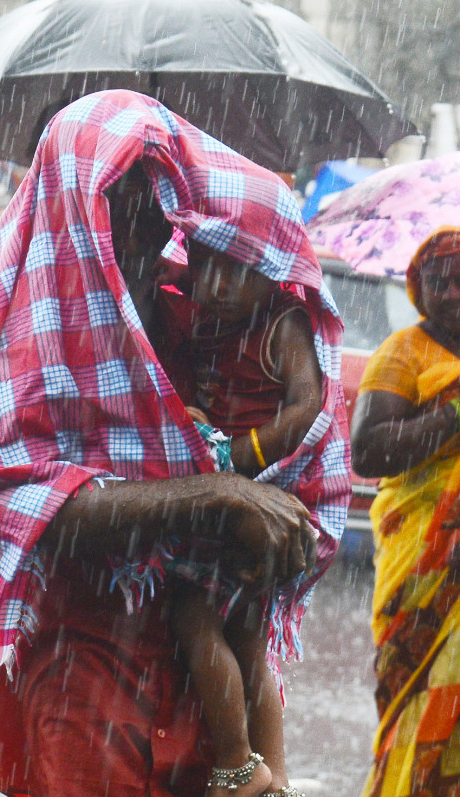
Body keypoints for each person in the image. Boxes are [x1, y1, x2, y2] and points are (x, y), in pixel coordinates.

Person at [0, 90, 350, 797]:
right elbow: (14, 501)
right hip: (87, 664)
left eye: (155, 194)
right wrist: (214, 494)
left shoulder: (183, 304)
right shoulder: (18, 327)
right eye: (121, 197)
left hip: (194, 663)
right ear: (77, 202)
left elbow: (274, 404)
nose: (146, 220)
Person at [160, 241, 326, 797]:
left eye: (237, 271)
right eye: (206, 269)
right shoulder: (208, 321)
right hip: (228, 485)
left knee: (193, 618)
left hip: (255, 495)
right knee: (248, 632)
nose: (218, 285)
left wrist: (240, 454)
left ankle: (236, 764)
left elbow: (308, 404)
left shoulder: (282, 322)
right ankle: (274, 775)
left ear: (272, 272)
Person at [351, 227, 460, 796]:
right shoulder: (402, 352)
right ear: (419, 291)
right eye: (438, 283)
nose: (455, 293)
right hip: (425, 564)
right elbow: (368, 449)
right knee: (419, 685)